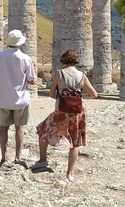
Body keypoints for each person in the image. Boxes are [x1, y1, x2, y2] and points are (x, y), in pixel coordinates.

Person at [32, 49, 98, 182]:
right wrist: (80, 96)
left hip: (61, 110)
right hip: (78, 111)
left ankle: (43, 160)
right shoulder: (82, 75)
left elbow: (51, 94)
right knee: (75, 142)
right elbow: (94, 94)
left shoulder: (59, 74)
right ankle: (69, 174)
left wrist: (63, 97)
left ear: (63, 61)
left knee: (43, 129)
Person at [0, 29, 37, 167]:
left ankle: (4, 158)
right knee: (19, 128)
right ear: (20, 43)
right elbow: (32, 80)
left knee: (3, 128)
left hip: (3, 99)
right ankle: (18, 157)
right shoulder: (26, 58)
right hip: (21, 100)